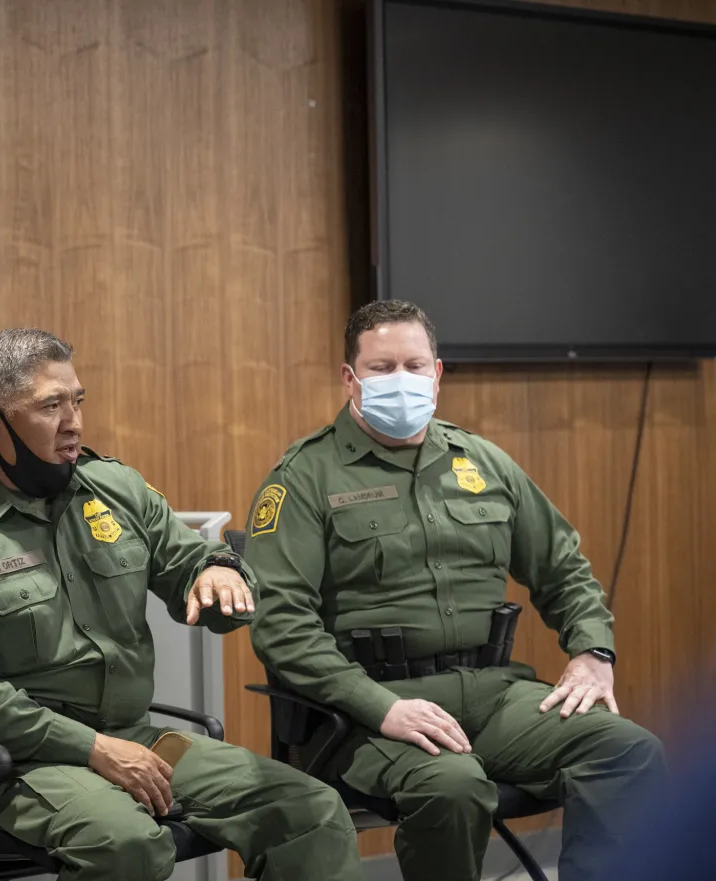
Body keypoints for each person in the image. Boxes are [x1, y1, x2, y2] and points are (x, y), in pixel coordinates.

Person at [0, 329, 363, 881]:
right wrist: (92, 748)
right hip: (15, 762)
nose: (74, 423)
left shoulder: (113, 489)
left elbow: (190, 563)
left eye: (77, 401)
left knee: (310, 812)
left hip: (136, 739)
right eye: (51, 406)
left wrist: (219, 574)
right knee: (127, 844)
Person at [245, 300, 666, 881]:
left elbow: (562, 566)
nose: (401, 381)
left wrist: (593, 651)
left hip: (494, 696)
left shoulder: (483, 462)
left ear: (437, 374)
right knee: (454, 787)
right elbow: (280, 625)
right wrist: (380, 706)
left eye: (414, 366)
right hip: (373, 709)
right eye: (381, 367)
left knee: (629, 752)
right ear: (350, 378)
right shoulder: (304, 476)